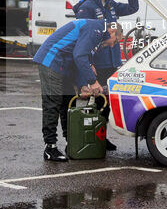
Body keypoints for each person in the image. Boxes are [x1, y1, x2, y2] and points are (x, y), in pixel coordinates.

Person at [32, 19, 123, 161]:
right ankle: (50, 147)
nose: (112, 45)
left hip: (64, 64)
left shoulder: (98, 36)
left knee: (68, 103)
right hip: (51, 60)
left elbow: (83, 58)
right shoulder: (96, 29)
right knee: (53, 103)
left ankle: (72, 144)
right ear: (112, 31)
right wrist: (93, 82)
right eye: (115, 41)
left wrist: (82, 85)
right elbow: (79, 56)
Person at [72, 0, 138, 151]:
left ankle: (101, 136)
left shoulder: (111, 4)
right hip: (96, 62)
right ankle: (85, 136)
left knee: (106, 102)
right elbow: (82, 38)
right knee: (89, 102)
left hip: (112, 60)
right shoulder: (87, 7)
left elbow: (133, 7)